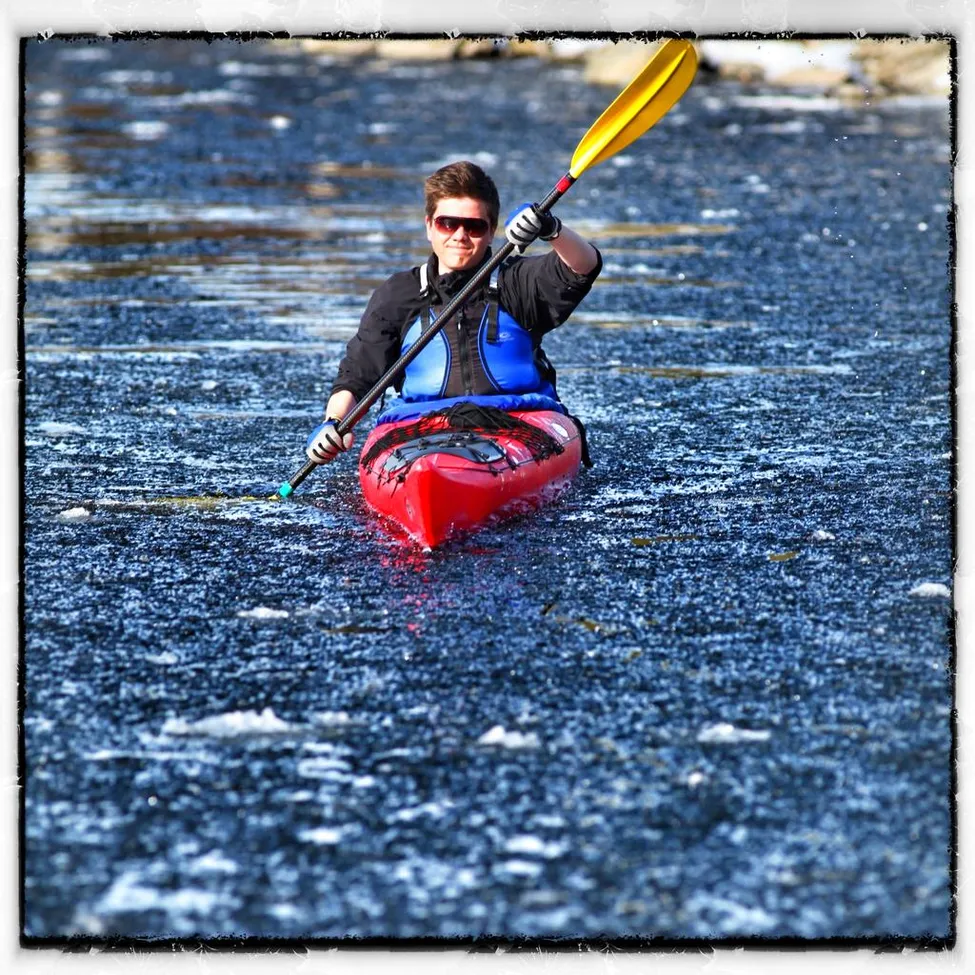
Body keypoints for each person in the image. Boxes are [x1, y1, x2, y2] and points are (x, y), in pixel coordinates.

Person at [305, 160, 602, 463]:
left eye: (474, 226)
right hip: (421, 424)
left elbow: (584, 267)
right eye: (447, 223)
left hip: (519, 419)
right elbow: (359, 372)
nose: (459, 235)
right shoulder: (398, 295)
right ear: (429, 227)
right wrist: (333, 422)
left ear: (491, 232)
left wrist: (551, 229)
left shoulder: (517, 281)